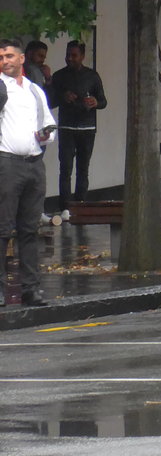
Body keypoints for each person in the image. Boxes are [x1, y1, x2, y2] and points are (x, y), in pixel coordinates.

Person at [0, 38, 56, 307]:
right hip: (7, 162)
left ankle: (31, 289)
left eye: (10, 56)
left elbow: (48, 123)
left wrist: (45, 134)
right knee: (3, 228)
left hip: (34, 163)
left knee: (29, 230)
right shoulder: (1, 87)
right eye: (1, 57)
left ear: (22, 59)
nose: (5, 61)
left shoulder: (34, 90)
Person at [50, 40, 107, 214]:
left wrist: (95, 102)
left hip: (87, 129)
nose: (70, 58)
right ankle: (65, 208)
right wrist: (62, 97)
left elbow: (104, 101)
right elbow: (50, 102)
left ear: (82, 56)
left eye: (74, 55)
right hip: (66, 127)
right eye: (68, 55)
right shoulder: (59, 76)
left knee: (83, 169)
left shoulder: (92, 76)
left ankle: (80, 206)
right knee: (65, 168)